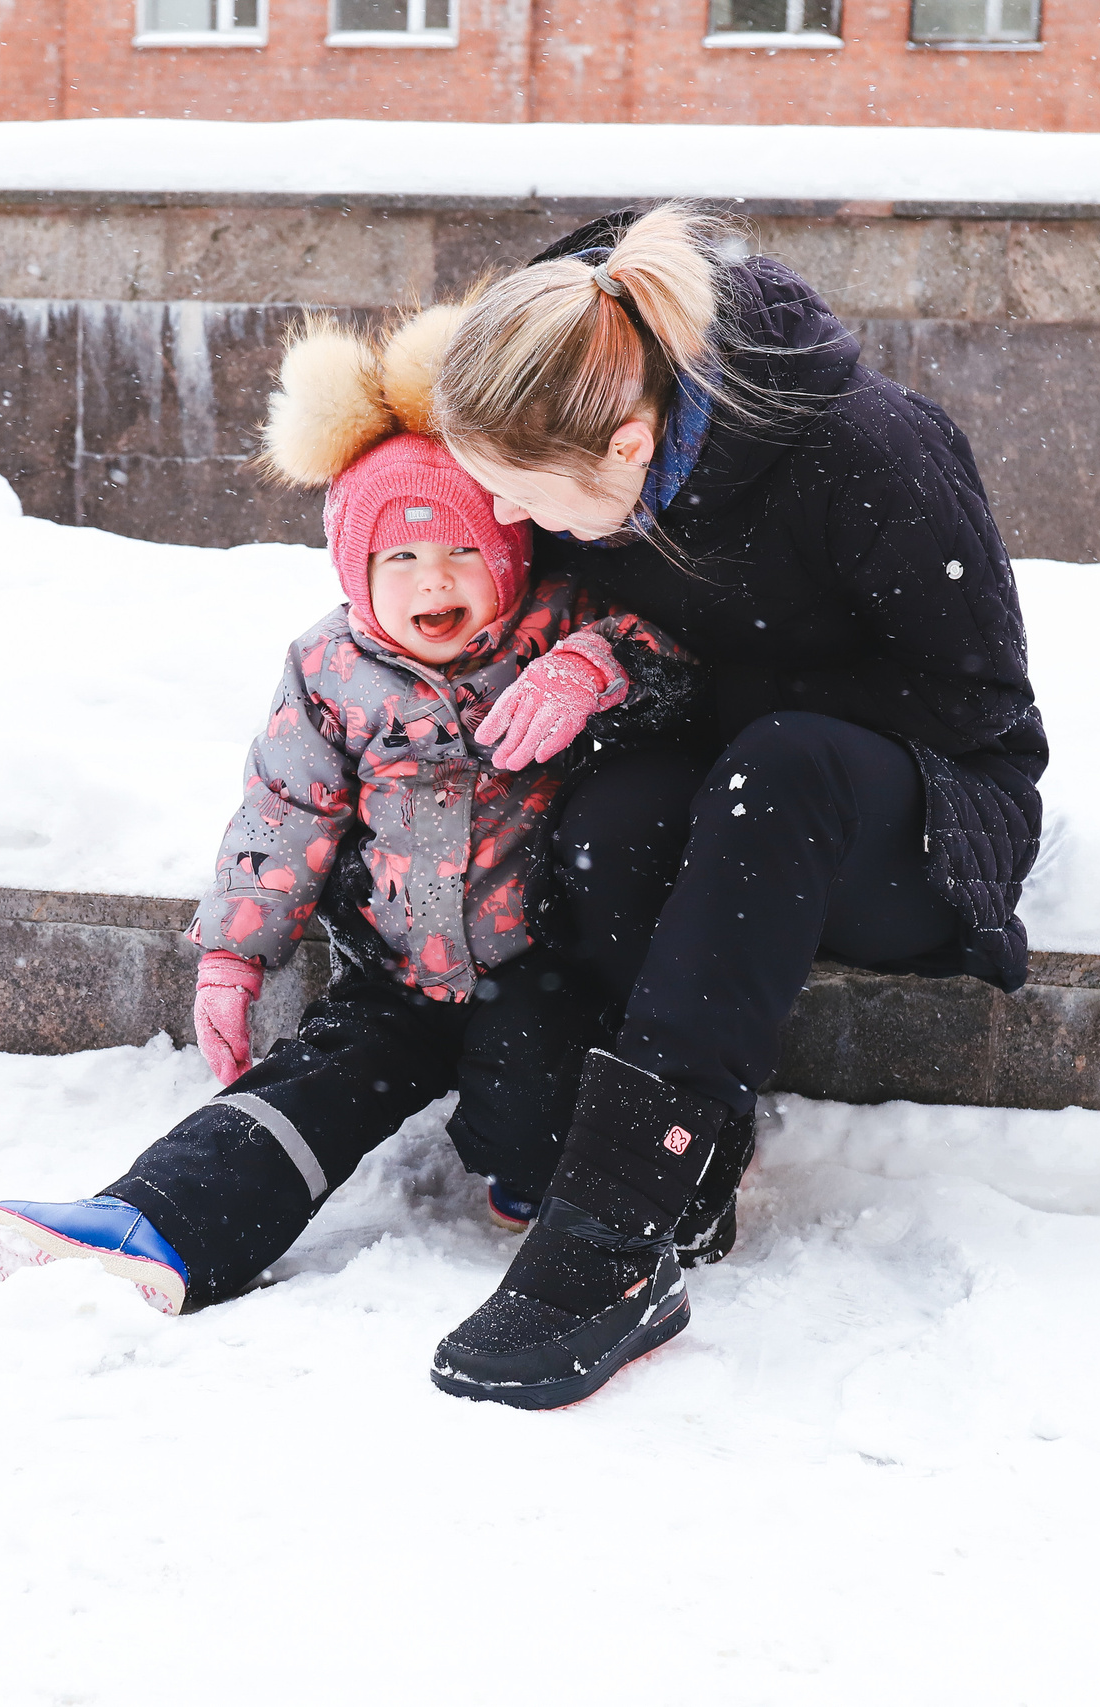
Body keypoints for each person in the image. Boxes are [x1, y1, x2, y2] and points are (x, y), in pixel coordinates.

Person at [422, 202, 1049, 1409]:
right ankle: (693, 1176)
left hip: (920, 820)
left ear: (628, 445)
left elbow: (977, 706)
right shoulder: (580, 402)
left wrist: (722, 696)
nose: (507, 522)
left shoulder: (871, 452)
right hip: (733, 788)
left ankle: (615, 1230)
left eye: (527, 499)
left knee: (782, 764)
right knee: (612, 826)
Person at [0, 311, 699, 1315]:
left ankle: (528, 1167)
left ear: (509, 548)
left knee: (534, 1096)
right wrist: (234, 953)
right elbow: (282, 810)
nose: (433, 577)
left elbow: (672, 661)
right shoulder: (329, 667)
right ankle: (157, 1221)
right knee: (310, 1085)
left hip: (534, 967)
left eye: (463, 548)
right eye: (399, 559)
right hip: (395, 970)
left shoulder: (556, 624)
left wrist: (591, 667)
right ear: (355, 571)